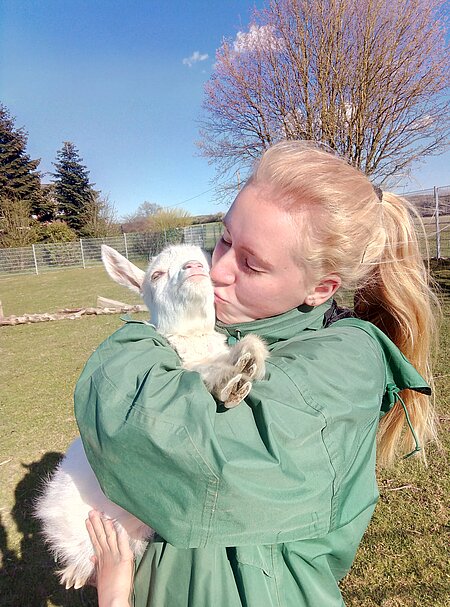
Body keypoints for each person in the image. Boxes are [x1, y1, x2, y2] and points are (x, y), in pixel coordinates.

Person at [75, 141, 438, 606]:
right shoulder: (221, 329)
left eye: (252, 263)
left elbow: (180, 452)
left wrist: (132, 342)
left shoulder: (347, 361)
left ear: (320, 288)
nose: (218, 268)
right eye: (225, 239)